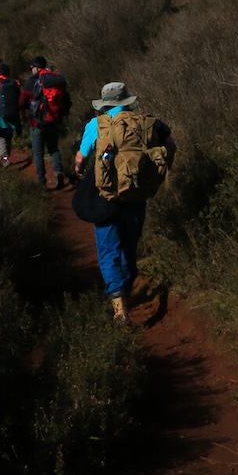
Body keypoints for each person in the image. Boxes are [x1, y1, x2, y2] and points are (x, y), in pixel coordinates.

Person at [73, 81, 176, 327]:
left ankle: (120, 309)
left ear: (105, 103)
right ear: (126, 101)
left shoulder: (97, 124)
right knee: (129, 244)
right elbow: (170, 144)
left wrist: (79, 169)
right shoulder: (147, 122)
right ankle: (127, 285)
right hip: (136, 194)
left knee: (108, 250)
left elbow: (80, 157)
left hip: (106, 197)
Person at [20, 55, 71, 190]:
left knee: (38, 152)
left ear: (36, 68)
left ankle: (42, 182)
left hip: (36, 122)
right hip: (53, 120)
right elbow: (66, 100)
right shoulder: (56, 79)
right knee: (53, 148)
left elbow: (22, 99)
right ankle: (58, 172)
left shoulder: (33, 81)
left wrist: (27, 110)